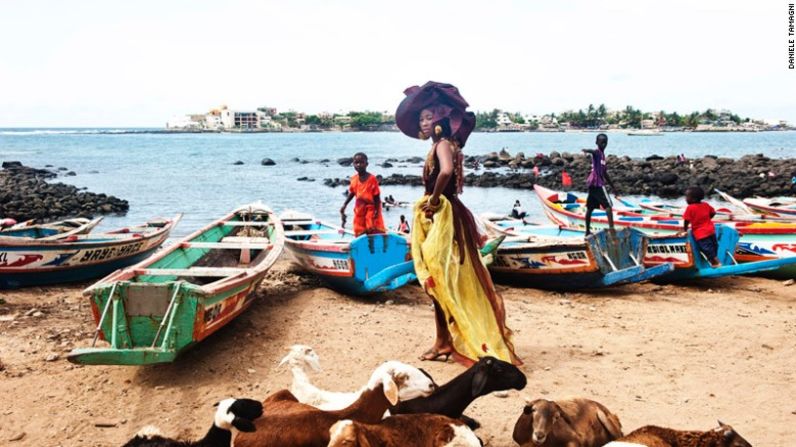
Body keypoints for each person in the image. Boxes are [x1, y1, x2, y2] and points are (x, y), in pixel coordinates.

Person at [395, 81, 521, 367]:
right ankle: (442, 340)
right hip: (445, 216)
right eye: (421, 119)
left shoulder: (442, 145)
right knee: (438, 282)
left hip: (445, 218)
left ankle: (444, 341)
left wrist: (435, 199)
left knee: (439, 279)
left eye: (428, 118)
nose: (423, 122)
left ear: (440, 120)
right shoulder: (447, 144)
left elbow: (447, 172)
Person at [340, 152, 386, 237]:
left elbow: (376, 196)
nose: (359, 165)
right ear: (353, 164)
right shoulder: (354, 179)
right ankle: (361, 244)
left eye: (361, 162)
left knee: (371, 226)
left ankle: (373, 245)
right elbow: (352, 193)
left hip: (371, 207)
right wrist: (344, 205)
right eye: (356, 163)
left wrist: (376, 210)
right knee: (359, 227)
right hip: (359, 208)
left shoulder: (372, 179)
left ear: (366, 164)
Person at [581, 133, 619, 236]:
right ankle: (612, 231)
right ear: (597, 142)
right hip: (597, 183)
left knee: (590, 208)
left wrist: (613, 187)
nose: (603, 144)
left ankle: (587, 231)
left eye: (605, 142)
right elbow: (593, 152)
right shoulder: (597, 153)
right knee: (608, 206)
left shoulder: (602, 156)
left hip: (593, 185)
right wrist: (587, 150)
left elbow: (605, 173)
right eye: (601, 142)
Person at [680, 186, 720, 267]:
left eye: (687, 197)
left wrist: (685, 230)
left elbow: (686, 220)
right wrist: (707, 219)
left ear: (694, 199)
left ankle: (715, 261)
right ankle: (714, 259)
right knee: (713, 245)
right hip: (711, 230)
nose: (685, 199)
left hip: (700, 233)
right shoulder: (705, 204)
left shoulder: (690, 208)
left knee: (705, 247)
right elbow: (713, 212)